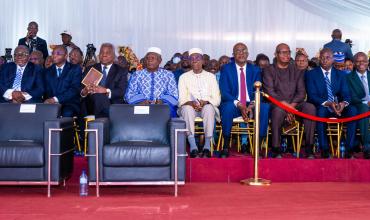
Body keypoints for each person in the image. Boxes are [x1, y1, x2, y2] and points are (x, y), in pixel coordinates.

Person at [263, 43, 316, 158]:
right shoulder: (269, 70)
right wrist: (287, 107)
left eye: (288, 52)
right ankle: (276, 148)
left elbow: (301, 92)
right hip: (277, 104)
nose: (287, 55)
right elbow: (270, 92)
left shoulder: (296, 70)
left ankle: (309, 147)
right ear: (276, 54)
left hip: (294, 104)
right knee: (278, 111)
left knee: (310, 108)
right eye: (283, 52)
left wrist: (291, 107)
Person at [219, 42, 270, 158]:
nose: (241, 53)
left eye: (243, 50)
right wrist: (240, 105)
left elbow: (259, 90)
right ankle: (226, 146)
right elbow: (225, 92)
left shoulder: (255, 70)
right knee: (226, 108)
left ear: (248, 54)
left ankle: (258, 147)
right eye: (238, 51)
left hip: (251, 102)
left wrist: (252, 105)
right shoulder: (226, 69)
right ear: (233, 54)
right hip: (234, 102)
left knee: (265, 107)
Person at [305, 48, 357, 158]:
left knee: (353, 110)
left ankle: (349, 149)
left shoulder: (341, 74)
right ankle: (324, 149)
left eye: (327, 57)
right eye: (322, 58)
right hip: (324, 106)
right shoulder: (311, 74)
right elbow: (312, 95)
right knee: (320, 112)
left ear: (333, 59)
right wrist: (328, 103)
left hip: (339, 106)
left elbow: (347, 94)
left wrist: (343, 104)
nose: (324, 60)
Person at [178, 48, 220, 158]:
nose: (195, 60)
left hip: (206, 107)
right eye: (192, 58)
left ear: (203, 61)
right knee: (187, 109)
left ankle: (207, 146)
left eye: (198, 58)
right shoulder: (183, 77)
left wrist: (206, 102)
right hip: (190, 107)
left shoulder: (211, 77)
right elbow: (181, 99)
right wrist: (190, 103)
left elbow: (217, 99)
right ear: (189, 62)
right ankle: (193, 147)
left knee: (209, 108)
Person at [125, 47, 178, 117]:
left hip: (163, 106)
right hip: (141, 105)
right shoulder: (137, 74)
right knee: (135, 112)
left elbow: (174, 94)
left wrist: (162, 101)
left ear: (160, 60)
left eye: (152, 58)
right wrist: (141, 101)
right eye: (147, 58)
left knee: (167, 111)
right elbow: (129, 94)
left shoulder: (168, 74)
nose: (149, 60)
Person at [81, 43, 128, 117]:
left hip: (112, 103)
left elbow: (121, 91)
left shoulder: (121, 71)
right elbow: (80, 90)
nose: (104, 55)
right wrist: (84, 91)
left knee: (99, 96)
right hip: (91, 104)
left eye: (107, 53)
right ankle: (106, 120)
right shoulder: (90, 69)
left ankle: (99, 122)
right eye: (101, 52)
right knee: (97, 96)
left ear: (113, 56)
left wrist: (105, 90)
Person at [43, 45, 82, 117]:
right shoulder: (47, 71)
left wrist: (55, 99)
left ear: (66, 56)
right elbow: (46, 90)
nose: (54, 56)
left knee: (67, 113)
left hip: (69, 103)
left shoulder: (75, 69)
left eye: (58, 53)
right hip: (51, 103)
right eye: (53, 53)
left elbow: (74, 90)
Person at [346, 52, 370, 159]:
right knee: (364, 109)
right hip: (359, 105)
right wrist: (366, 103)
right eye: (358, 61)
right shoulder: (349, 77)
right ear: (354, 63)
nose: (361, 63)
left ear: (368, 62)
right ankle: (367, 147)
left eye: (364, 61)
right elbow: (351, 96)